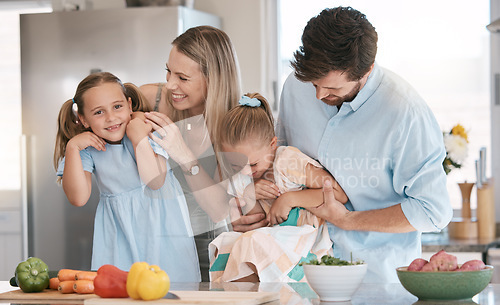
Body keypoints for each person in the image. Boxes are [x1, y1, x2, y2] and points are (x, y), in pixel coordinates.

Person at [241, 7, 453, 283]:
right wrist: (254, 191)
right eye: (314, 83)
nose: (318, 95)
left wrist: (348, 220)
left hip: (375, 281)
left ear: (366, 71)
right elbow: (279, 160)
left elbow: (432, 211)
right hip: (298, 276)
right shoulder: (296, 86)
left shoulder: (404, 113)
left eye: (332, 89)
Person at [53, 71, 200, 282]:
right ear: (83, 119)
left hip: (163, 235)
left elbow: (155, 182)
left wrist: (137, 135)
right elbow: (78, 198)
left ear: (130, 105)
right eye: (98, 112)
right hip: (119, 236)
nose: (111, 117)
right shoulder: (86, 149)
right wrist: (73, 147)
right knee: (120, 300)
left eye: (117, 107)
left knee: (171, 297)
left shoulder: (146, 130)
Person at [208, 93, 348, 282]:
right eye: (236, 166)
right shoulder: (242, 179)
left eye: (254, 164)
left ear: (272, 145)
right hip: (270, 239)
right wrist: (250, 196)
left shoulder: (287, 161)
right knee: (229, 245)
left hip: (304, 241)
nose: (246, 172)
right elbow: (256, 225)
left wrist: (288, 199)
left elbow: (338, 194)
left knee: (252, 244)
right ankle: (243, 304)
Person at [140, 26, 242, 281]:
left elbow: (220, 210)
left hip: (206, 254)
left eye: (183, 78)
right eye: (168, 71)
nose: (170, 84)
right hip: (148, 244)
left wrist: (183, 154)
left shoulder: (234, 125)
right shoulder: (150, 99)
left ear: (214, 79)